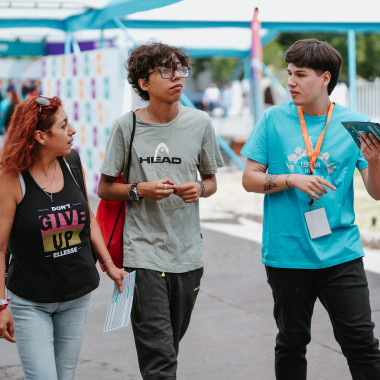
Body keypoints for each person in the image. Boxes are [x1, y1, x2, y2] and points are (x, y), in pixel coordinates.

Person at [241, 39, 380, 380]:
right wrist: (291, 179)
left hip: (341, 252)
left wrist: (376, 162)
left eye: (300, 74)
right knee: (292, 341)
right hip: (287, 253)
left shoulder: (355, 124)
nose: (290, 81)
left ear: (325, 78)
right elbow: (248, 179)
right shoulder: (273, 119)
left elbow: (376, 193)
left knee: (361, 342)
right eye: (289, 73)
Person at [98, 42, 224, 379]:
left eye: (180, 69)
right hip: (142, 254)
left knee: (168, 347)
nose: (177, 77)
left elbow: (211, 181)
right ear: (143, 82)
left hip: (187, 254)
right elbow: (105, 188)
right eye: (165, 71)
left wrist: (199, 188)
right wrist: (140, 190)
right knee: (160, 358)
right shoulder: (127, 126)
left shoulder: (200, 123)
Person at [0, 96, 127, 380]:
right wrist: (0, 304)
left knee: (65, 375)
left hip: (76, 294)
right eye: (64, 125)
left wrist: (109, 264)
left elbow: (88, 217)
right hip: (31, 300)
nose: (72, 131)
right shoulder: (11, 178)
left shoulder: (71, 162)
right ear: (40, 135)